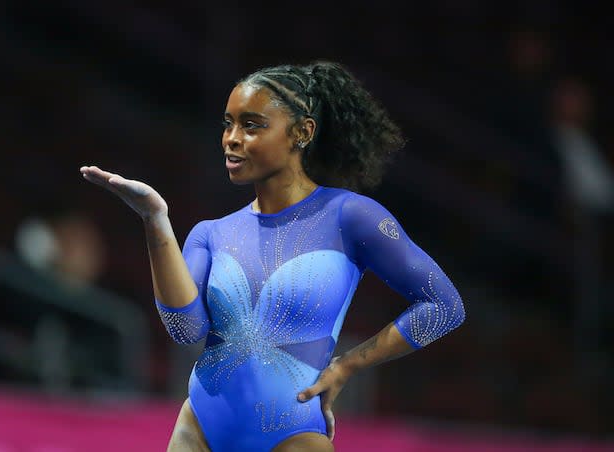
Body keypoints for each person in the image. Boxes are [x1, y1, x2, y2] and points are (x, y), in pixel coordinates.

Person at [80, 60, 466, 451]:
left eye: (251, 125)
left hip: (293, 434)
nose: (231, 138)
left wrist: (348, 365)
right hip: (199, 428)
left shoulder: (351, 217)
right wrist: (154, 219)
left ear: (301, 132)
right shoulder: (210, 234)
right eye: (228, 123)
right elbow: (186, 331)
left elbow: (444, 306)